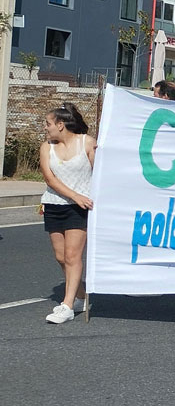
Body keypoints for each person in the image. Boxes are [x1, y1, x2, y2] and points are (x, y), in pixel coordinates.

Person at [40, 103, 95, 324]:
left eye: (48, 123)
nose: (45, 128)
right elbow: (49, 179)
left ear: (61, 125)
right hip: (54, 204)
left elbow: (100, 173)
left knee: (73, 256)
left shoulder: (87, 143)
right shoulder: (47, 147)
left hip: (80, 207)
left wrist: (83, 199)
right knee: (61, 257)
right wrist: (73, 195)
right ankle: (81, 296)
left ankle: (67, 305)